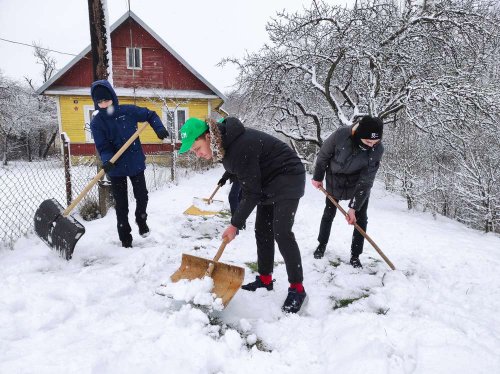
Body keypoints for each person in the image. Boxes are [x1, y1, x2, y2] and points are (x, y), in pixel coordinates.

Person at [179, 117, 307, 314]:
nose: (197, 154)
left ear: (207, 136)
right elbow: (242, 168)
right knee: (262, 230)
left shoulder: (237, 148)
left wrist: (234, 224)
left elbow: (251, 192)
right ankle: (265, 279)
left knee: (282, 232)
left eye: (197, 148)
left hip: (288, 177)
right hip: (268, 179)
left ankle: (298, 289)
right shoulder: (226, 142)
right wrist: (228, 175)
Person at [90, 80, 169, 248]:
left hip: (135, 162)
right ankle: (125, 236)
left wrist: (159, 129)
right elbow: (103, 146)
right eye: (100, 102)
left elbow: (151, 114)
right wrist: (108, 160)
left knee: (142, 196)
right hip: (116, 167)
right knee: (121, 204)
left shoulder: (128, 111)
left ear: (113, 97)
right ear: (96, 103)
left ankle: (141, 220)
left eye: (107, 100)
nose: (104, 104)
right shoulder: (97, 123)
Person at [311, 116, 384, 268]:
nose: (371, 146)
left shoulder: (377, 149)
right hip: (334, 179)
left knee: (360, 218)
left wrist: (353, 208)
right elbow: (323, 155)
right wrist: (318, 177)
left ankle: (355, 255)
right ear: (359, 135)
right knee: (328, 213)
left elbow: (367, 180)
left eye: (374, 142)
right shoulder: (341, 135)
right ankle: (321, 245)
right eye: (368, 141)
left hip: (358, 184)